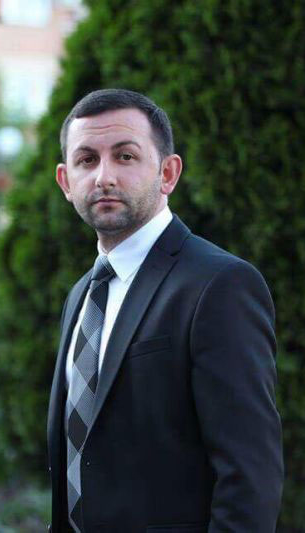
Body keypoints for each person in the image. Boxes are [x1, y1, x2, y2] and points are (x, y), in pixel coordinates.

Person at [46, 89, 283, 532]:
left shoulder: (219, 285)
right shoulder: (81, 296)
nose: (104, 177)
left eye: (125, 156)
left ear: (168, 173)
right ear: (66, 182)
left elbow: (250, 477)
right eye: (87, 160)